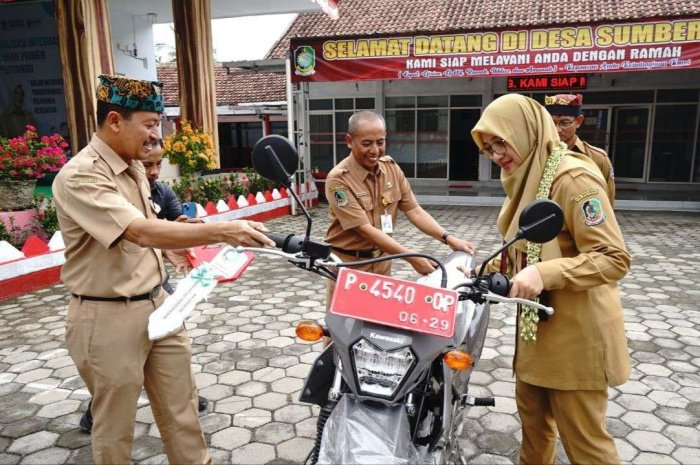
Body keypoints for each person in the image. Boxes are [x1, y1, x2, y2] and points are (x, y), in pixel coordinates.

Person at [54, 74, 274, 465]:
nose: (158, 134)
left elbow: (151, 226)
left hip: (161, 305)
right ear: (115, 121)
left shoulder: (134, 168)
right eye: (151, 124)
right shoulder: (81, 175)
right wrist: (224, 228)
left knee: (182, 411)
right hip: (107, 316)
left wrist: (189, 239)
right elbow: (138, 230)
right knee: (115, 425)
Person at [470, 94, 631, 464]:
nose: (497, 155)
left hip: (577, 338)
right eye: (488, 147)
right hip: (536, 333)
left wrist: (545, 273)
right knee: (535, 431)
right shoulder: (527, 175)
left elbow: (614, 258)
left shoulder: (574, 179)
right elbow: (528, 249)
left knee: (586, 445)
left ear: (524, 131)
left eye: (501, 142)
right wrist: (483, 271)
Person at [77, 139, 208, 435]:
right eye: (147, 164)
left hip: (158, 286)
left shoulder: (161, 191)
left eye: (158, 164)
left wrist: (184, 232)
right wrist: (224, 232)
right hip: (119, 295)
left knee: (176, 349)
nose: (153, 170)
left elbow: (177, 226)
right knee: (119, 373)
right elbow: (137, 233)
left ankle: (185, 398)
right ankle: (94, 414)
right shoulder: (102, 189)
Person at [325, 110, 474, 280]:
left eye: (380, 142)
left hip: (382, 262)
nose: (375, 150)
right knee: (346, 308)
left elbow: (414, 211)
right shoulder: (338, 181)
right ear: (349, 141)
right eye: (366, 144)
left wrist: (448, 238)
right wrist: (412, 258)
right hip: (349, 267)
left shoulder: (391, 169)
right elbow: (364, 229)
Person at [544, 93, 616, 205]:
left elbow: (607, 201)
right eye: (551, 123)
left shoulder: (597, 158)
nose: (557, 130)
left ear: (578, 121)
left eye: (565, 123)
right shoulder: (538, 154)